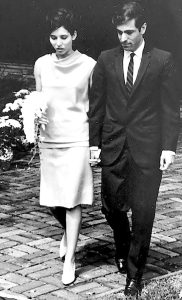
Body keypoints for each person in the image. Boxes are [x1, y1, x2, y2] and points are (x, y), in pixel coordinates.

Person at [88, 1, 180, 297]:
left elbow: (170, 108)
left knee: (143, 211)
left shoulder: (162, 60)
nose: (123, 38)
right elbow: (97, 106)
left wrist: (169, 147)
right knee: (111, 207)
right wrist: (93, 143)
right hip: (113, 144)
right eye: (119, 32)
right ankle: (123, 244)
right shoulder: (106, 59)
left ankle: (134, 274)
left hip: (148, 148)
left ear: (143, 28)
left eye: (129, 32)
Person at [34, 8, 96, 285]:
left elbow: (95, 106)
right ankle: (69, 233)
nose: (58, 43)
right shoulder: (41, 65)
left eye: (63, 37)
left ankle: (70, 258)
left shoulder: (89, 65)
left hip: (77, 138)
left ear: (74, 35)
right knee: (51, 201)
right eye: (52, 37)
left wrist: (96, 143)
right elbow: (38, 100)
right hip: (50, 139)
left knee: (72, 200)